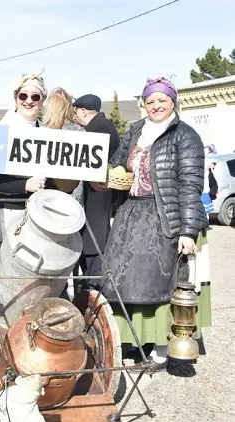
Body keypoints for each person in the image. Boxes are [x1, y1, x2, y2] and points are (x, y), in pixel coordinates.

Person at [101, 77, 211, 370]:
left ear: (173, 101)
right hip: (131, 212)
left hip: (165, 216)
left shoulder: (185, 136)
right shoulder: (136, 130)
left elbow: (190, 184)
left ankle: (163, 347)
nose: (156, 106)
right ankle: (135, 342)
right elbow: (118, 160)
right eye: (150, 101)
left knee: (162, 281)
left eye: (162, 100)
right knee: (122, 279)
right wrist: (112, 171)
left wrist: (187, 231)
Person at [0, 72, 48, 262]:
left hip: (37, 215)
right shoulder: (2, 131)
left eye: (35, 97)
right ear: (16, 98)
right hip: (7, 213)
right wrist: (24, 185)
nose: (29, 101)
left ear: (42, 100)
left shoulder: (46, 133)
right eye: (23, 96)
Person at [73, 94, 121, 287]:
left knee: (94, 265)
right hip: (96, 204)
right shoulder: (102, 126)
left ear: (83, 111)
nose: (74, 114)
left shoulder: (99, 129)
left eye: (75, 110)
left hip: (96, 204)